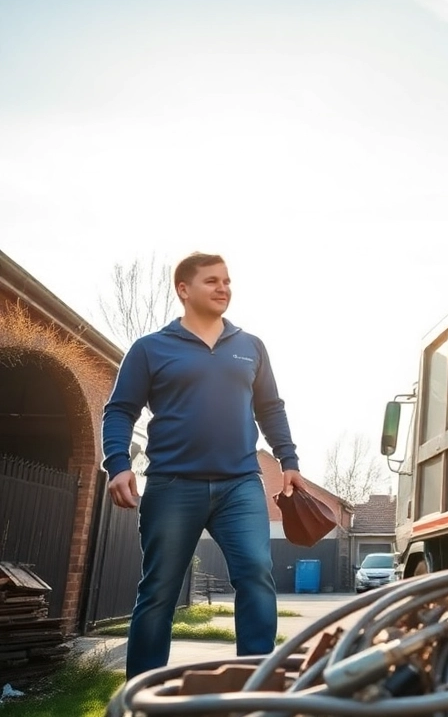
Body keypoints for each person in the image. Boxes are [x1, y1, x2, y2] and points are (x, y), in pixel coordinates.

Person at [102, 252, 307, 678]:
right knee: (159, 589)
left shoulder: (250, 346)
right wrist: (118, 462)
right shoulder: (150, 349)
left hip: (240, 484)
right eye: (212, 281)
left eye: (227, 281)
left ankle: (255, 683)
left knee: (255, 573)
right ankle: (143, 691)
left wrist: (288, 459)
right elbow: (120, 410)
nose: (223, 288)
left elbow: (271, 407)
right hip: (172, 485)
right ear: (184, 289)